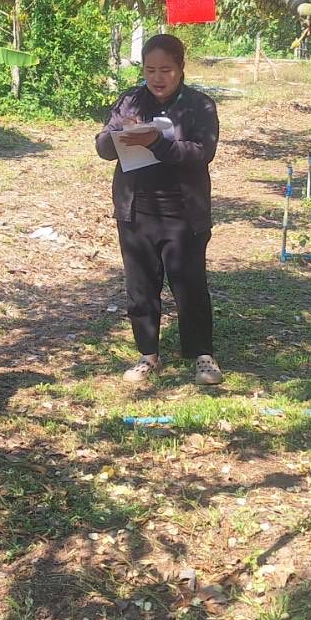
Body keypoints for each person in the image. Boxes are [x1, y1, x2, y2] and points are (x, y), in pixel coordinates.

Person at [96, 34, 223, 386]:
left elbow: (202, 152)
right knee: (140, 286)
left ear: (181, 68)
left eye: (165, 69)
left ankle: (202, 355)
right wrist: (118, 135)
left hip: (184, 212)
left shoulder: (199, 106)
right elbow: (103, 147)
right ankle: (148, 354)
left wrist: (157, 142)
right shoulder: (130, 101)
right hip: (136, 209)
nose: (157, 77)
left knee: (189, 285)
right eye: (150, 70)